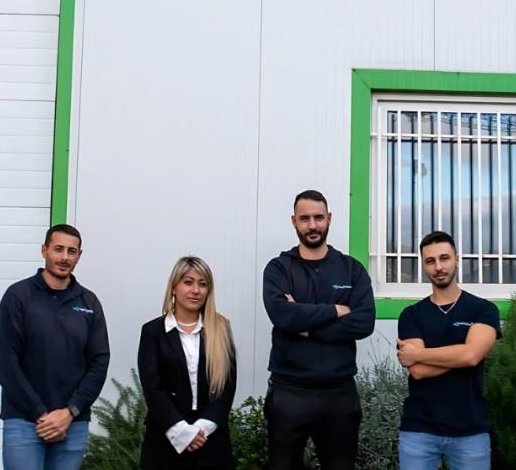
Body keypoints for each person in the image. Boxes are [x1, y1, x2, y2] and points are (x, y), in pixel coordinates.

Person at [262, 189, 377, 470]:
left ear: (329, 219)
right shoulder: (279, 269)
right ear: (294, 221)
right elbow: (282, 315)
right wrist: (336, 310)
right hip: (289, 392)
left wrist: (307, 328)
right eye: (305, 219)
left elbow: (364, 322)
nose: (312, 225)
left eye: (318, 217)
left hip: (339, 394)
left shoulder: (351, 269)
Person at [0, 224, 111, 470]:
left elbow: (99, 362)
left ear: (79, 256)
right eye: (58, 249)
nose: (65, 257)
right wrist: (41, 414)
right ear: (44, 250)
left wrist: (69, 412)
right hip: (24, 421)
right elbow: (6, 363)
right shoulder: (18, 296)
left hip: (73, 424)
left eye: (71, 251)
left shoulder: (89, 302)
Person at [394, 231, 501, 470]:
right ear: (423, 265)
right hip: (419, 430)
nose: (438, 267)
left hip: (471, 432)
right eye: (430, 261)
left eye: (444, 258)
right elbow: (419, 371)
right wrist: (461, 354)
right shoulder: (411, 315)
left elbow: (472, 356)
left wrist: (419, 354)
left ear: (457, 259)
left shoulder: (483, 309)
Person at [137, 256, 239, 469]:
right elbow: (153, 388)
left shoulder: (221, 328)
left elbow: (226, 387)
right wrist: (182, 432)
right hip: (165, 440)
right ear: (174, 287)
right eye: (188, 282)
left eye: (203, 284)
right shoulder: (153, 331)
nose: (196, 290)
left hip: (211, 441)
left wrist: (201, 429)